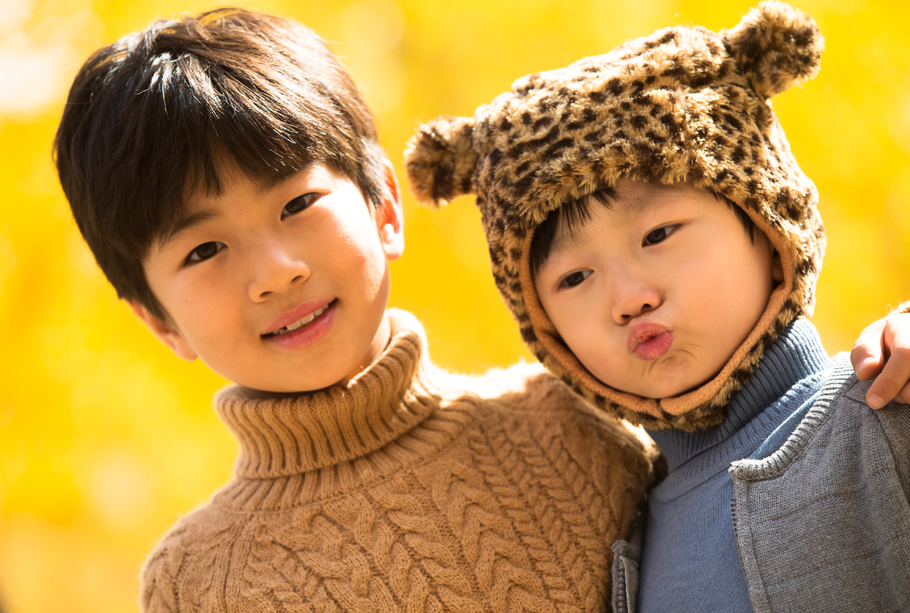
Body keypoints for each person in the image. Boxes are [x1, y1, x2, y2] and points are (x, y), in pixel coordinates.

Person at [52, 8, 667, 612]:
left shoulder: (578, 420)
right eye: (205, 249)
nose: (276, 272)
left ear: (386, 209)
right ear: (159, 321)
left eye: (297, 204)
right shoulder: (197, 583)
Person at [404, 2, 910, 612]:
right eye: (574, 277)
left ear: (767, 224)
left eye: (658, 235)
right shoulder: (626, 524)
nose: (629, 298)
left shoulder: (889, 403)